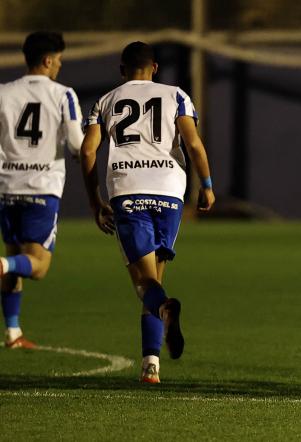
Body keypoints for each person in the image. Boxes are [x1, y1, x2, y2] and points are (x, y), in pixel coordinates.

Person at [80, 41, 215, 383]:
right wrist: (208, 185)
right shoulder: (177, 95)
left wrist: (95, 200)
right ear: (155, 67)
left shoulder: (105, 101)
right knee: (155, 277)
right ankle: (150, 365)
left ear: (121, 69)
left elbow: (87, 152)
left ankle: (166, 313)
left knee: (145, 284)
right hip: (170, 191)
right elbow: (193, 143)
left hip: (129, 190)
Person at [0, 32, 83, 349]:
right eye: (59, 60)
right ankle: (3, 267)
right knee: (37, 267)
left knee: (14, 256)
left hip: (7, 189)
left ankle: (12, 332)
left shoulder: (4, 93)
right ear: (48, 60)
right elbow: (77, 144)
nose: (59, 66)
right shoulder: (63, 95)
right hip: (41, 189)